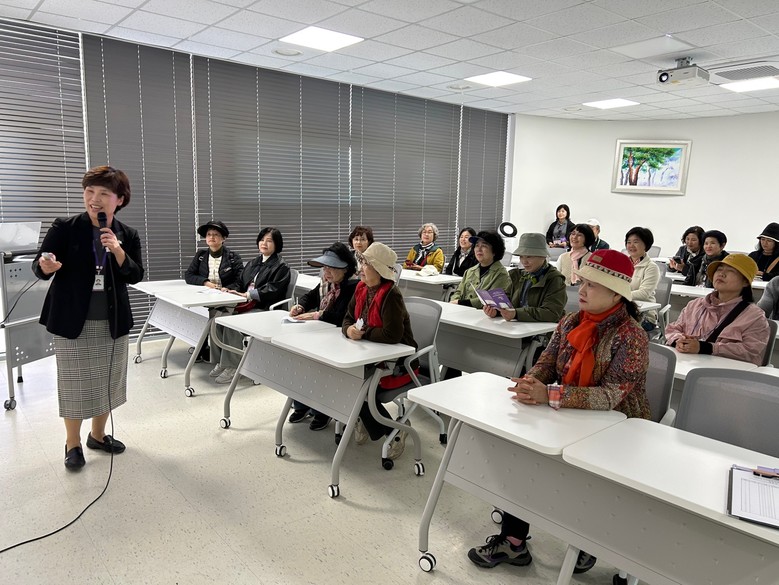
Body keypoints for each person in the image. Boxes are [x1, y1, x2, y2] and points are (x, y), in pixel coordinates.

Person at [468, 249, 649, 574]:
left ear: (615, 294)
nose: (582, 290)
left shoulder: (631, 336)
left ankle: (587, 542)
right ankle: (514, 542)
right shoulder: (571, 321)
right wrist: (531, 382)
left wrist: (549, 394)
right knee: (522, 455)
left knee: (585, 483)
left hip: (616, 427)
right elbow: (547, 363)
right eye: (583, 282)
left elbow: (610, 396)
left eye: (592, 285)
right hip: (566, 412)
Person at [34, 166, 145, 470]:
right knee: (74, 385)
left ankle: (97, 435)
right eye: (89, 191)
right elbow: (41, 264)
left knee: (108, 381)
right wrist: (45, 266)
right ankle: (72, 443)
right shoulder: (65, 228)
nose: (94, 199)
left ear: (119, 199)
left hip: (112, 321)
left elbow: (135, 275)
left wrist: (118, 251)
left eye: (103, 193)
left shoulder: (127, 234)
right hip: (72, 320)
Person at [342, 242, 418, 460]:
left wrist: (363, 333)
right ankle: (368, 421)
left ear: (378, 269)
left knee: (358, 386)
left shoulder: (391, 294)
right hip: (367, 355)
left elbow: (392, 335)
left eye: (366, 264)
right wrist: (349, 330)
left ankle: (396, 430)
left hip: (397, 364)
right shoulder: (360, 288)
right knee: (345, 378)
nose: (361, 268)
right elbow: (347, 319)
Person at [287, 242, 359, 430]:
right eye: (325, 267)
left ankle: (322, 411)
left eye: (332, 268)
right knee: (299, 361)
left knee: (320, 370)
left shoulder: (353, 286)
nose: (326, 272)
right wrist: (300, 306)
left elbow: (341, 317)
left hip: (340, 338)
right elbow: (310, 297)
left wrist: (316, 315)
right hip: (321, 333)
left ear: (345, 269)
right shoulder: (326, 283)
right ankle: (301, 405)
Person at [211, 227, 291, 384]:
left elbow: (273, 290)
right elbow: (240, 283)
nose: (264, 243)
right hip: (245, 304)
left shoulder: (281, 267)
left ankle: (233, 366)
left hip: (264, 308)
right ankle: (222, 361)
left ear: (277, 244)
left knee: (231, 323)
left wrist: (247, 295)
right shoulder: (253, 263)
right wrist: (230, 289)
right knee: (216, 318)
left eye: (269, 241)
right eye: (262, 240)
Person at [666, 254, 769, 365]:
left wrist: (706, 348)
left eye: (731, 271)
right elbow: (673, 329)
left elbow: (750, 351)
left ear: (745, 282)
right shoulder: (695, 305)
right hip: (687, 365)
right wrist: (679, 340)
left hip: (727, 371)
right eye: (719, 269)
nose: (721, 274)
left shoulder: (754, 316)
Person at [185, 220, 244, 363]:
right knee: (193, 312)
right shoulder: (201, 256)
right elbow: (189, 275)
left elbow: (240, 280)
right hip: (206, 296)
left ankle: (216, 355)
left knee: (214, 314)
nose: (211, 237)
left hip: (226, 298)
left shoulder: (233, 257)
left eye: (216, 234)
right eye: (209, 234)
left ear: (223, 238)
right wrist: (206, 283)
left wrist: (227, 289)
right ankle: (201, 345)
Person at [483, 233, 565, 323]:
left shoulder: (555, 279)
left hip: (543, 330)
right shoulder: (518, 275)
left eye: (529, 257)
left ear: (543, 256)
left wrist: (516, 314)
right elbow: (507, 301)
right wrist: (496, 311)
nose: (524, 261)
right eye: (521, 256)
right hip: (518, 326)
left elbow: (552, 312)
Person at [450, 230, 510, 308]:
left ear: (494, 251)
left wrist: (460, 302)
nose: (479, 249)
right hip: (462, 311)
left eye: (484, 246)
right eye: (477, 245)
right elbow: (458, 292)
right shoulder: (469, 271)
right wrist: (454, 302)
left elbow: (492, 300)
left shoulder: (501, 274)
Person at [624, 226, 661, 331]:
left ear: (646, 245)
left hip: (644, 315)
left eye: (636, 242)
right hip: (623, 310)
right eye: (628, 242)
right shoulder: (622, 263)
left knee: (616, 329)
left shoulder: (651, 267)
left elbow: (643, 293)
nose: (631, 245)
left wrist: (620, 296)